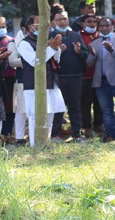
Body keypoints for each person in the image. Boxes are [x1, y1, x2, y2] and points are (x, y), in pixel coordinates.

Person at [17, 15, 66, 146]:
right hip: (34, 85)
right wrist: (51, 48)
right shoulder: (24, 43)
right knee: (35, 118)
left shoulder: (46, 40)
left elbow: (56, 60)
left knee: (50, 116)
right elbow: (36, 62)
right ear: (30, 27)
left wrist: (56, 48)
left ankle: (46, 143)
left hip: (51, 82)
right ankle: (35, 145)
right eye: (39, 26)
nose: (44, 28)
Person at [50, 7, 89, 142]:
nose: (62, 22)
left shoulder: (75, 35)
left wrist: (79, 52)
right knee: (58, 107)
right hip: (58, 76)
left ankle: (77, 133)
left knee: (75, 105)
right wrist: (56, 50)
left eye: (64, 19)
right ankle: (56, 133)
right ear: (53, 22)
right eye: (59, 19)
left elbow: (85, 54)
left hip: (75, 76)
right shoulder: (50, 37)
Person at [86, 17, 115, 142]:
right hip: (101, 82)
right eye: (102, 26)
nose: (104, 28)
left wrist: (112, 50)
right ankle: (110, 135)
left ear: (112, 27)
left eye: (107, 26)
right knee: (106, 111)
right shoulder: (95, 43)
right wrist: (92, 54)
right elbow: (90, 63)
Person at [0, 17, 17, 144]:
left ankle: (8, 133)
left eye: (3, 27)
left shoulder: (12, 41)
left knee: (10, 108)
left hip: (11, 79)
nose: (2, 30)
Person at [79, 14, 104, 137]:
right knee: (85, 103)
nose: (93, 24)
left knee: (99, 101)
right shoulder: (79, 37)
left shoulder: (100, 36)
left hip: (99, 74)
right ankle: (86, 127)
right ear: (83, 24)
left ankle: (99, 124)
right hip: (85, 75)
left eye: (95, 21)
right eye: (89, 22)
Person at [8, 17, 29, 146]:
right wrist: (31, 59)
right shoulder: (14, 43)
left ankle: (35, 136)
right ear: (24, 28)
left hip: (39, 81)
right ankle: (20, 138)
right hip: (21, 81)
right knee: (21, 111)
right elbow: (12, 62)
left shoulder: (40, 41)